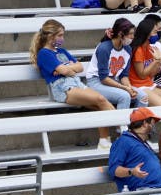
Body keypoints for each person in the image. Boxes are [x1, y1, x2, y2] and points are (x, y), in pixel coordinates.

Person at [30, 19, 115, 148]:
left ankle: (104, 141)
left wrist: (67, 69)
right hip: (62, 88)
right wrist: (67, 68)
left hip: (76, 83)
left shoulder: (62, 51)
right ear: (50, 36)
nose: (62, 38)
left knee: (100, 106)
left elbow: (80, 67)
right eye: (60, 35)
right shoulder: (44, 53)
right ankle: (126, 127)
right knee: (100, 98)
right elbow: (65, 70)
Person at [85, 17, 141, 110]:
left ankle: (138, 124)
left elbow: (124, 75)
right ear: (120, 34)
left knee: (142, 97)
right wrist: (124, 88)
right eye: (130, 34)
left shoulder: (128, 49)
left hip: (114, 81)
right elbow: (103, 78)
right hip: (96, 82)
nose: (133, 37)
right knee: (124, 96)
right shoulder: (104, 48)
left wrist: (129, 88)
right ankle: (121, 124)